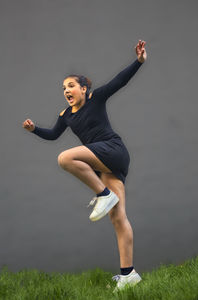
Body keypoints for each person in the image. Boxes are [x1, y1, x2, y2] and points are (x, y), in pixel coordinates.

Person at [22, 39, 147, 291]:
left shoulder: (96, 97)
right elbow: (53, 135)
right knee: (118, 217)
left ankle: (103, 195)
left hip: (114, 150)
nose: (66, 90)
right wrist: (34, 129)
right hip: (104, 162)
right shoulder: (65, 116)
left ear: (83, 89)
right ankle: (129, 275)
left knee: (65, 158)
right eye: (63, 88)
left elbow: (119, 81)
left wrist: (139, 61)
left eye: (71, 86)